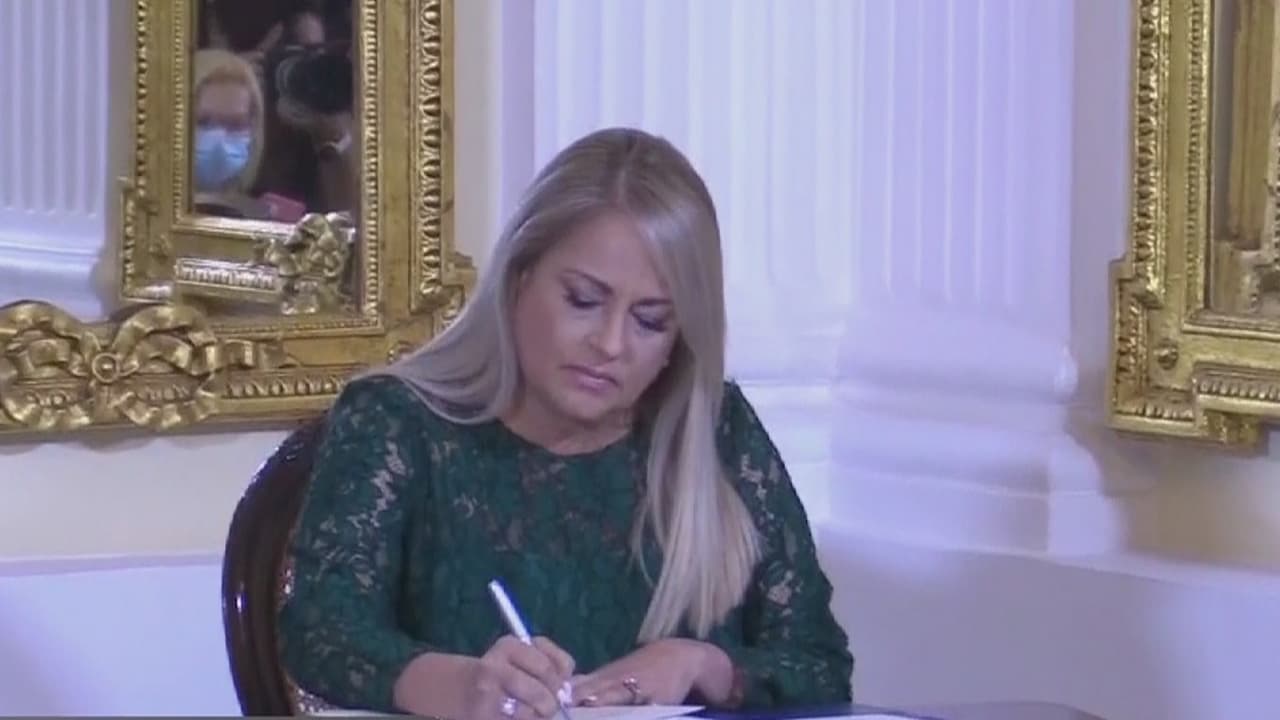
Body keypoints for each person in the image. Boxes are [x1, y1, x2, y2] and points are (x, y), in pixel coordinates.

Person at [277, 127, 855, 718]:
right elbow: (323, 633)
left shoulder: (716, 430)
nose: (610, 344)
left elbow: (820, 666)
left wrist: (700, 665)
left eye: (650, 321)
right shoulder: (398, 423)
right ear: (518, 277)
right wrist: (463, 686)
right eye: (583, 300)